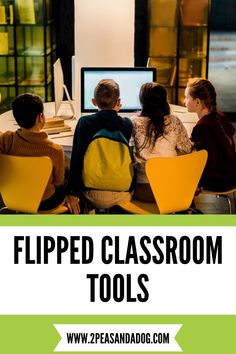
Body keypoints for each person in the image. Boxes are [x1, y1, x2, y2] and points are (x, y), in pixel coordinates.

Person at [67, 79, 133, 214]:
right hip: (122, 194)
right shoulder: (126, 124)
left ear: (93, 102)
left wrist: (73, 192)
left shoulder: (85, 122)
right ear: (119, 102)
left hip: (90, 193)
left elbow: (77, 159)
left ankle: (90, 212)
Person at [0, 93, 66, 211]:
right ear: (41, 117)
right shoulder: (55, 150)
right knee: (67, 181)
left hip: (14, 196)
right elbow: (58, 181)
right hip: (45, 202)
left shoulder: (7, 140)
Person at [131, 82, 192, 202]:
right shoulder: (174, 121)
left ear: (142, 102)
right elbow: (187, 149)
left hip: (144, 191)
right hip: (171, 190)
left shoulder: (134, 122)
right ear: (165, 101)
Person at [184, 78, 236, 191]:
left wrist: (199, 184)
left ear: (197, 102)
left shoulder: (203, 127)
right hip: (231, 174)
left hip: (220, 181)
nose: (184, 101)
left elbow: (208, 162)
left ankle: (184, 206)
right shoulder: (219, 116)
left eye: (187, 97)